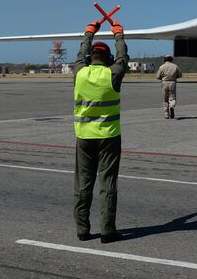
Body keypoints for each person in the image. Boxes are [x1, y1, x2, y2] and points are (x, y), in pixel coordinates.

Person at [73, 18, 128, 244]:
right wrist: (118, 34)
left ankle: (82, 230)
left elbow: (80, 53)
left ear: (89, 58)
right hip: (109, 137)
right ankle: (107, 230)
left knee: (83, 184)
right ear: (109, 59)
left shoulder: (79, 73)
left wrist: (89, 32)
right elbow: (123, 57)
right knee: (108, 184)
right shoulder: (113, 74)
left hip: (84, 137)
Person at [156, 54, 182, 119]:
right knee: (172, 97)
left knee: (165, 99)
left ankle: (166, 114)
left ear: (164, 60)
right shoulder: (175, 66)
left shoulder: (162, 67)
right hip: (172, 83)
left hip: (164, 83)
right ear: (171, 59)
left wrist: (162, 78)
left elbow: (157, 76)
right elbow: (180, 75)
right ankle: (172, 106)